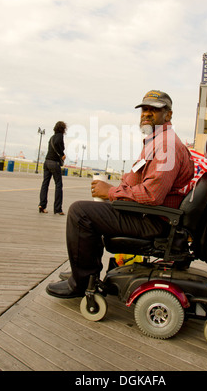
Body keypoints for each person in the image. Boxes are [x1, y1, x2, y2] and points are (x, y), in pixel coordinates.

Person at [46, 91, 194, 299]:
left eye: (154, 109)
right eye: (144, 109)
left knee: (80, 212)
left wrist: (111, 192)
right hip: (151, 215)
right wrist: (118, 188)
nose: (146, 114)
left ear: (168, 115)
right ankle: (86, 274)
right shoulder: (157, 141)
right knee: (94, 211)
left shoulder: (167, 145)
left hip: (155, 220)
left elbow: (153, 195)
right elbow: (139, 177)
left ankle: (81, 283)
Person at [39, 121, 67, 215]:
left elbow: (54, 144)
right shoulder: (60, 136)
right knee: (58, 185)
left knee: (45, 184)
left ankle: (42, 205)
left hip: (47, 162)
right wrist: (62, 154)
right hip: (54, 163)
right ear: (63, 129)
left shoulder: (51, 137)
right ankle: (57, 209)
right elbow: (57, 143)